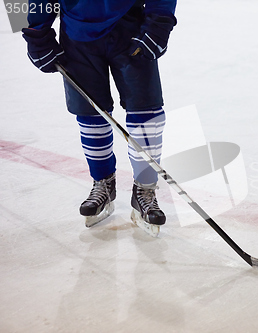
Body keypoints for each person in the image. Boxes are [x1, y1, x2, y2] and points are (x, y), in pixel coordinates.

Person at [22, 0, 177, 229]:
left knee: (147, 115)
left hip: (130, 28)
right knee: (91, 115)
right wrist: (37, 31)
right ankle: (103, 182)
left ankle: (144, 188)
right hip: (77, 36)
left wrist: (159, 22)